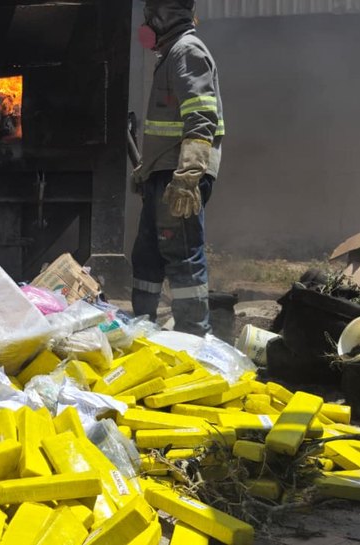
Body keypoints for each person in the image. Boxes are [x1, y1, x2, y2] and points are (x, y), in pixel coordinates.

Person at [131, 0, 224, 336]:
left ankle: (194, 338)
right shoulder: (172, 54)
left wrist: (187, 177)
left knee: (182, 257)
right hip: (165, 173)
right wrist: (147, 170)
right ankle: (142, 329)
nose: (147, 22)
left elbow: (201, 117)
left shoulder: (187, 52)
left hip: (179, 177)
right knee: (147, 257)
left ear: (166, 15)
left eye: (150, 14)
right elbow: (167, 128)